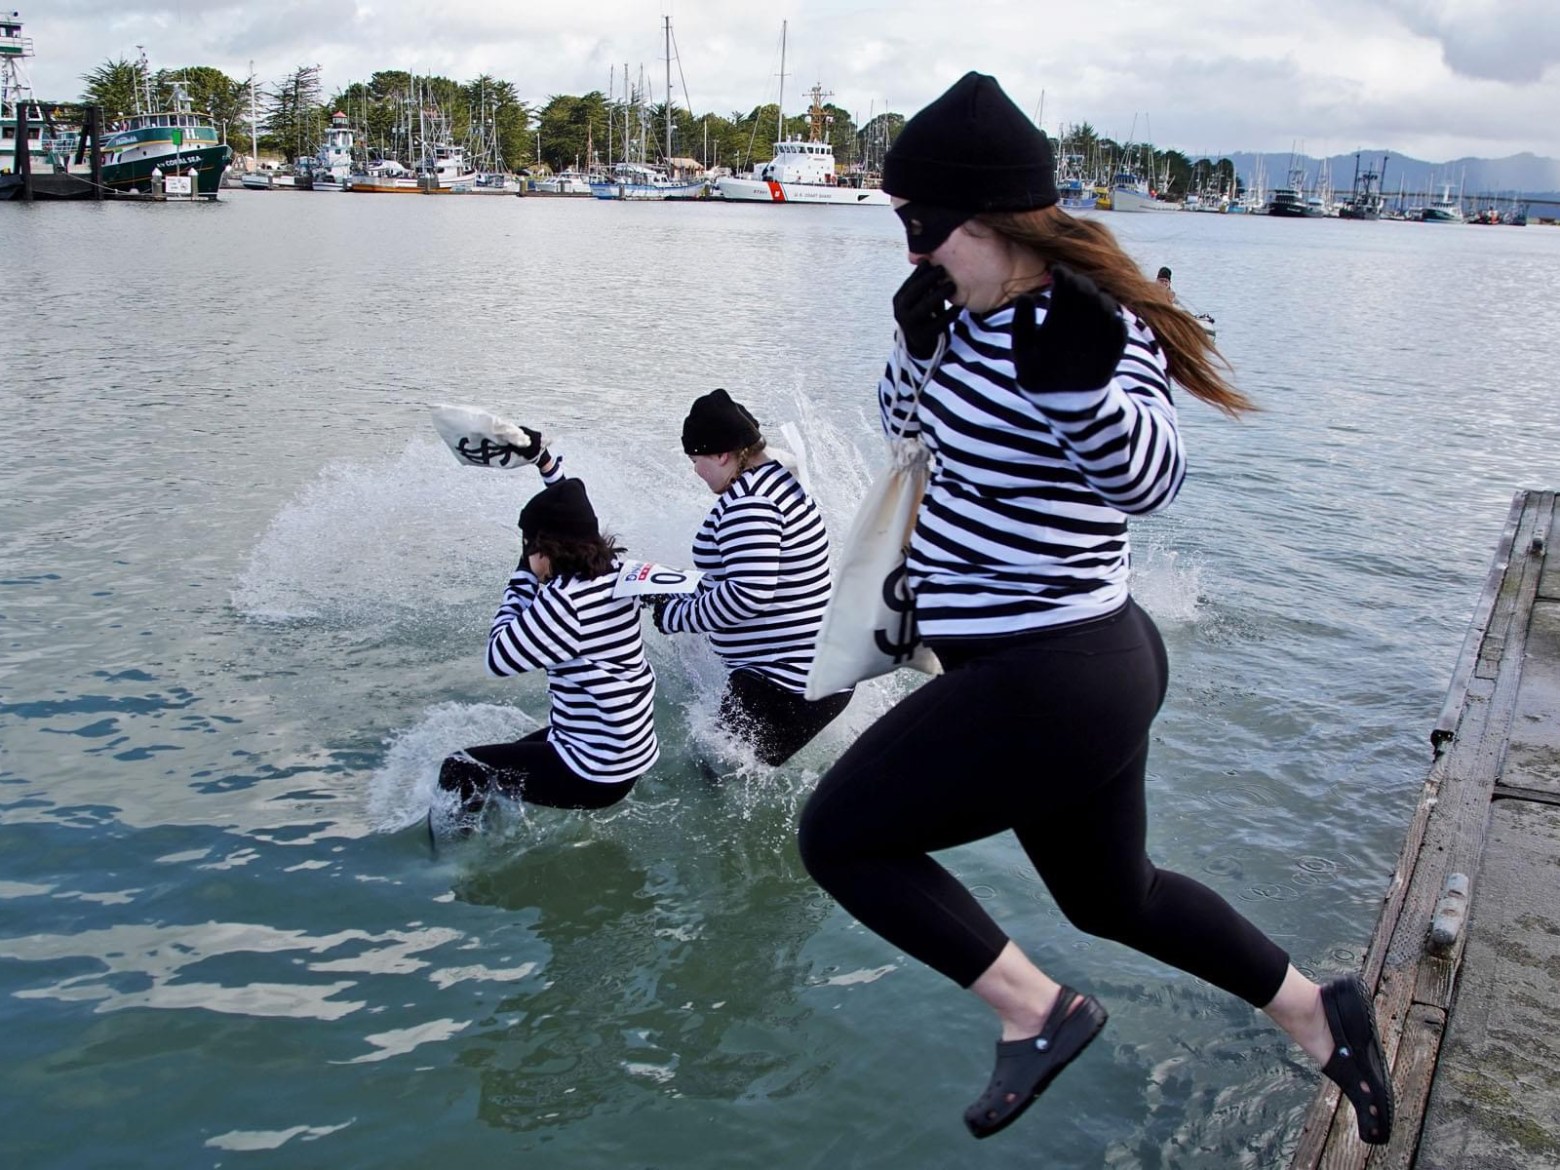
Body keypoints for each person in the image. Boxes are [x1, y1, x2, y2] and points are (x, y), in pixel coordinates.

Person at [795, 72, 1393, 1144]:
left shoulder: (1099, 325)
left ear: (988, 222)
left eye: (921, 228)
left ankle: (1039, 1012)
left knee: (840, 836)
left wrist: (1078, 392)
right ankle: (1317, 1010)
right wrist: (911, 345)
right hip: (1051, 673)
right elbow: (905, 434)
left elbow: (1154, 481)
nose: (911, 251)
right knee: (1113, 897)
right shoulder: (958, 313)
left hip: (1054, 671)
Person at [435, 437, 658, 826]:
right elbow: (573, 506)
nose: (528, 556)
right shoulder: (617, 573)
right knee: (498, 764)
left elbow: (498, 657)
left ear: (547, 550)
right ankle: (494, 823)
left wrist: (523, 574)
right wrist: (544, 462)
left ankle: (449, 866)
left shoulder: (563, 606)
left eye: (530, 547)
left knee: (458, 768)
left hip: (593, 773)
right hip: (626, 753)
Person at [650, 388, 852, 766]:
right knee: (731, 769)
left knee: (709, 770)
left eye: (696, 459)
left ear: (723, 454)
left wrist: (672, 616)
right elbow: (756, 575)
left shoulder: (748, 504)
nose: (695, 470)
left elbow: (749, 594)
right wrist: (678, 592)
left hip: (786, 685)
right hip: (814, 673)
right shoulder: (781, 481)